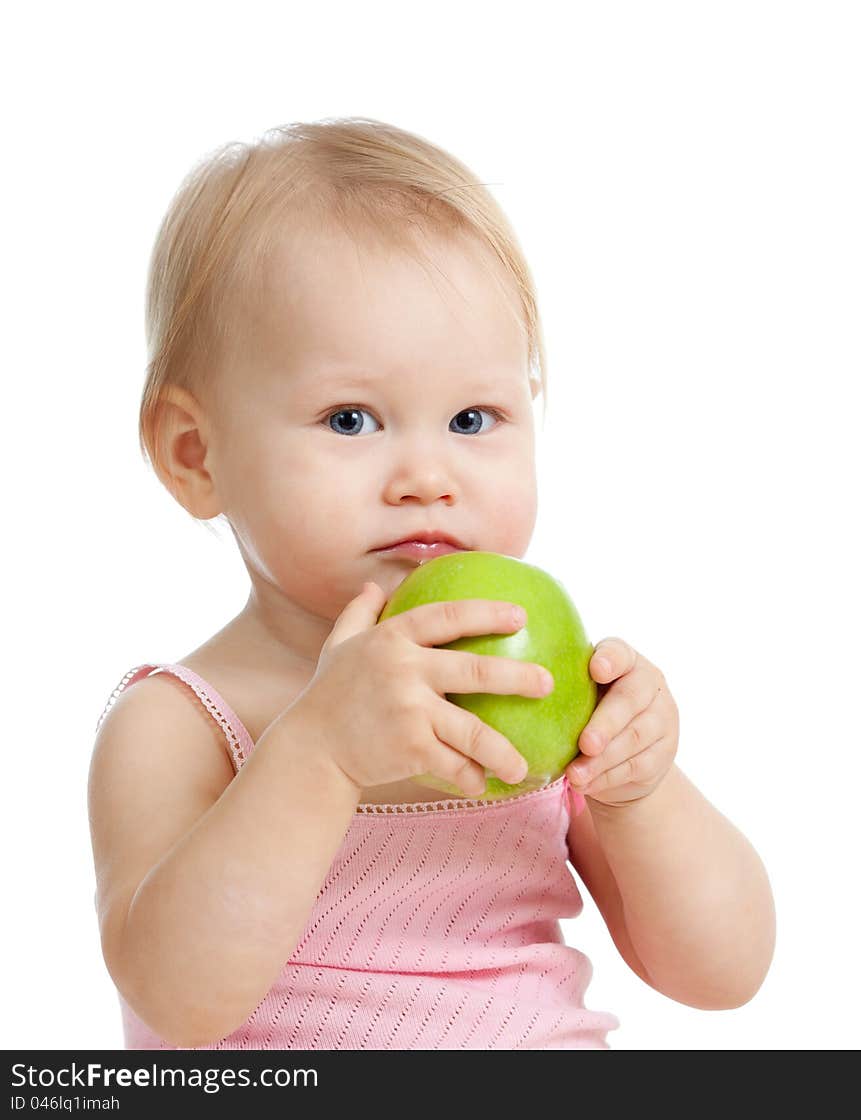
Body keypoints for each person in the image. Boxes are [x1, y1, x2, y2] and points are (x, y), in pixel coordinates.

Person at [87, 117, 776, 1051]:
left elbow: (724, 973)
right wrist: (319, 754)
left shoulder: (534, 689)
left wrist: (640, 794)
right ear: (195, 454)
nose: (427, 474)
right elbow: (178, 998)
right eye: (351, 418)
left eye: (472, 417)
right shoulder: (180, 724)